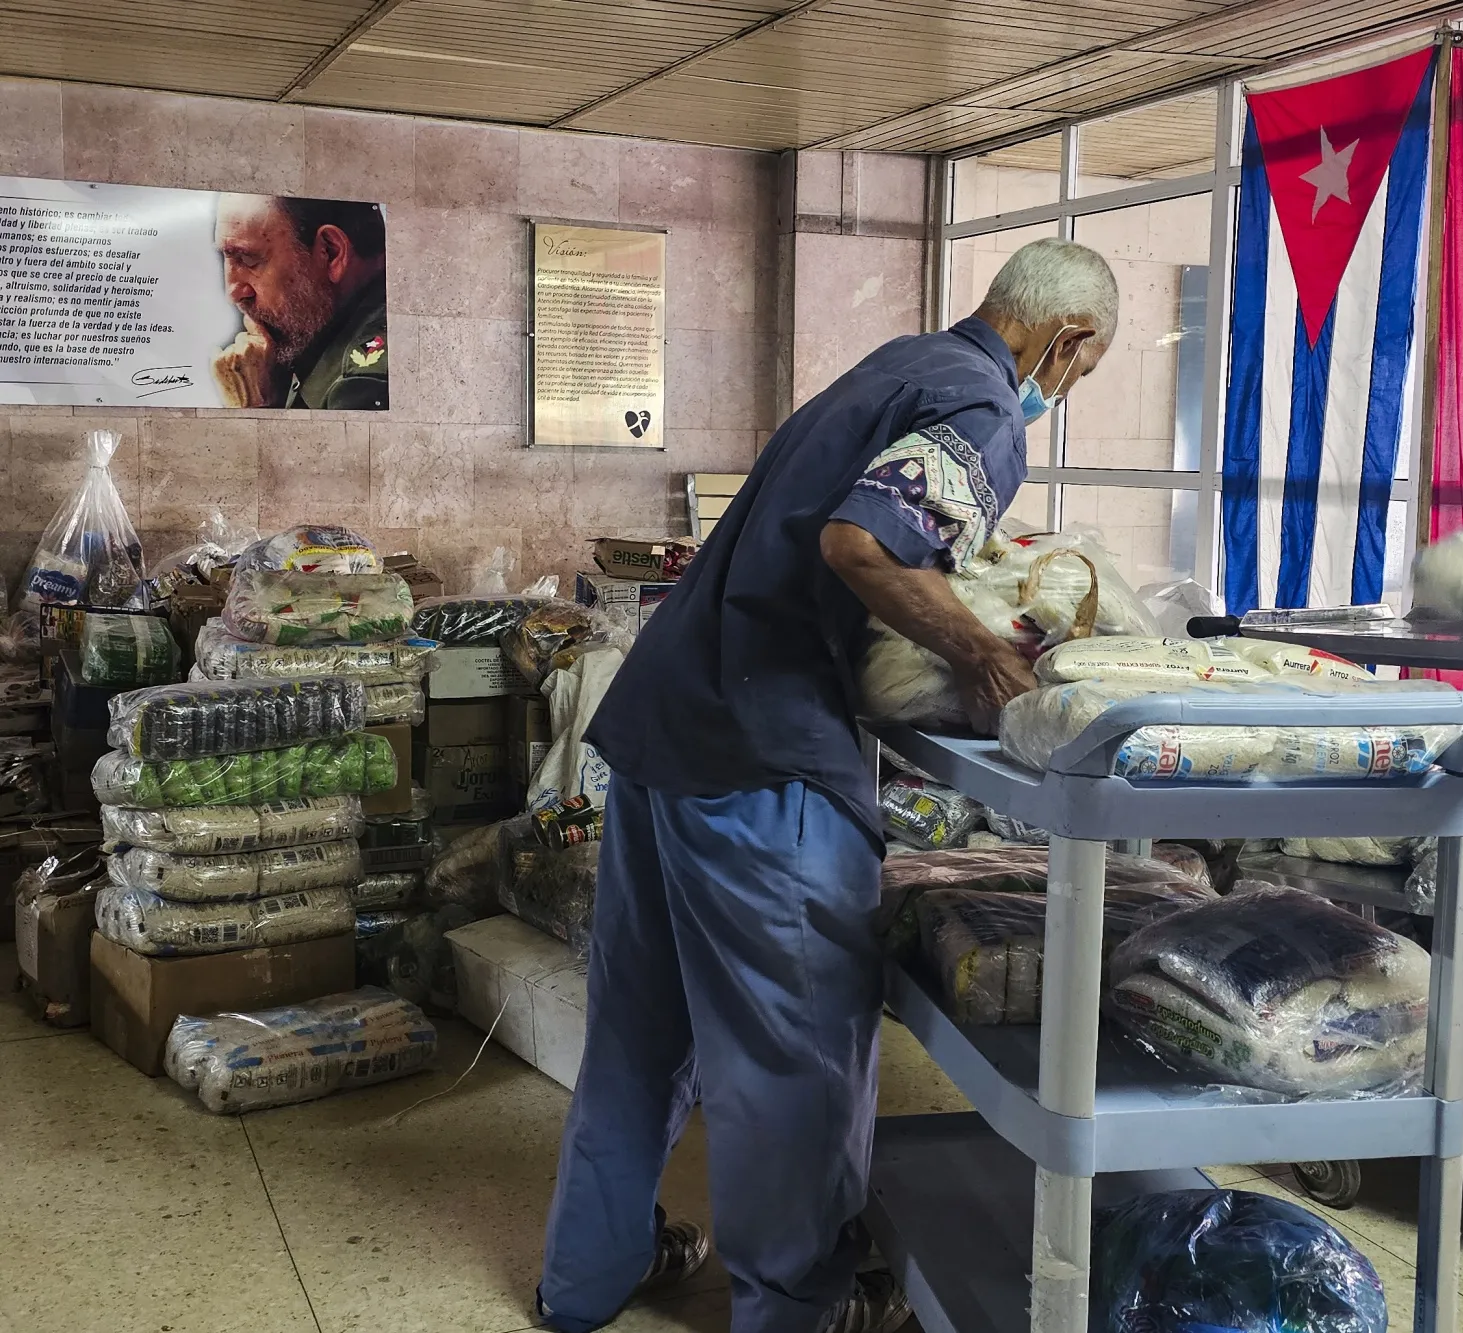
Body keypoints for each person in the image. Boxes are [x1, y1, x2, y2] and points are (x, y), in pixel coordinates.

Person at [534, 237, 1120, 1333]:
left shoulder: (896, 366)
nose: (1066, 389)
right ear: (1066, 336)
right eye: (1080, 371)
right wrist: (984, 656)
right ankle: (798, 1306)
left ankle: (584, 1279)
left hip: (668, 726)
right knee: (791, 1060)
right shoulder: (983, 407)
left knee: (639, 1031)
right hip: (762, 758)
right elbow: (861, 544)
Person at [211, 194, 389, 410]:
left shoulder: (360, 385)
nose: (233, 293)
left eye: (248, 259)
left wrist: (253, 407)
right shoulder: (319, 332)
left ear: (330, 252)